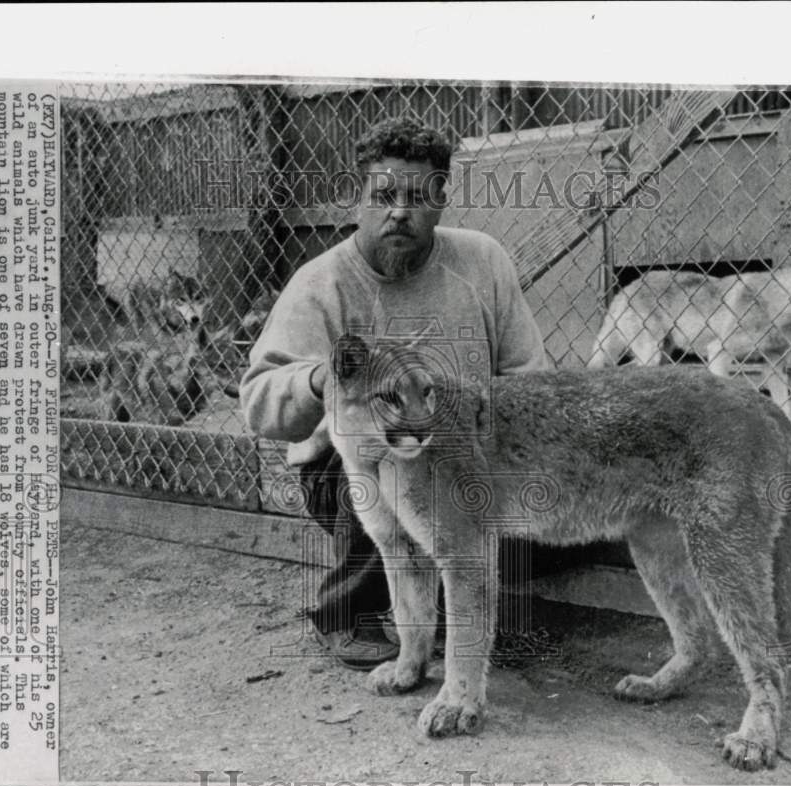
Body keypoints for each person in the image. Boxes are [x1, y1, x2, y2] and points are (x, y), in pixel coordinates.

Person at [240, 116, 573, 668]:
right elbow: (258, 400)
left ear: (441, 200)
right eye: (384, 195)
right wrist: (322, 380)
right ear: (358, 199)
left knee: (555, 506)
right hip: (359, 463)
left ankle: (451, 609)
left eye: (418, 196)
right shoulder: (320, 283)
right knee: (391, 483)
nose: (399, 210)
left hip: (467, 449)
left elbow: (531, 379)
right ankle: (349, 611)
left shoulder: (483, 260)